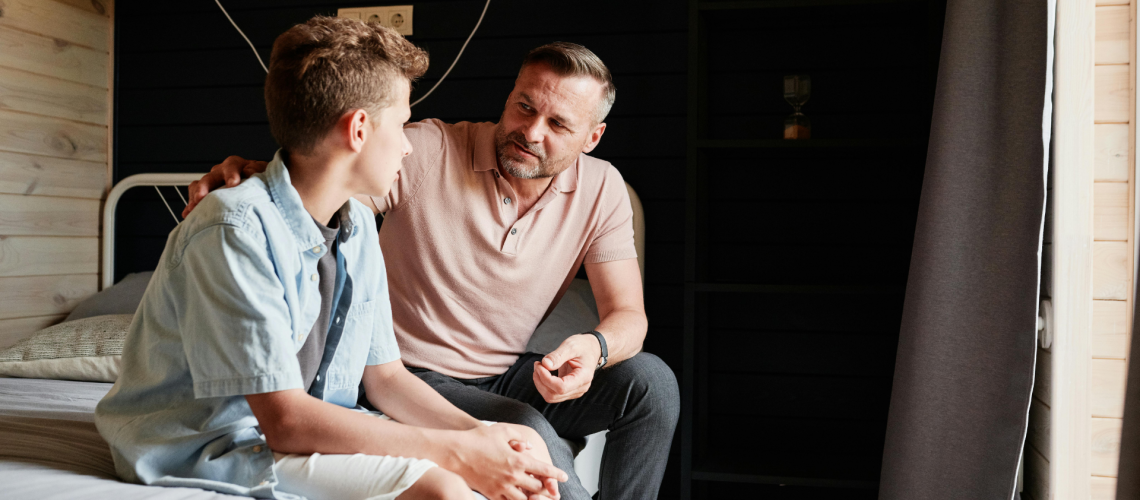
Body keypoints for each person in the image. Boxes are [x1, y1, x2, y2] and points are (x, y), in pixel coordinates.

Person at [95, 17, 566, 500]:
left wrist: (481, 436)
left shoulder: (358, 225)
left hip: (315, 431)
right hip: (218, 443)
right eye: (402, 124)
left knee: (516, 443)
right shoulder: (232, 228)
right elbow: (286, 421)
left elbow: (385, 378)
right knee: (446, 489)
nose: (407, 146)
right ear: (359, 129)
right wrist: (454, 453)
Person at [187, 42, 680, 500]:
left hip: (507, 373)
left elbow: (628, 318)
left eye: (558, 124)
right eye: (524, 107)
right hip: (409, 376)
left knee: (651, 383)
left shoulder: (603, 189)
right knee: (529, 430)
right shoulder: (424, 150)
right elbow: (326, 192)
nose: (531, 132)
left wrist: (593, 350)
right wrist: (258, 174)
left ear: (592, 137)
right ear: (509, 97)